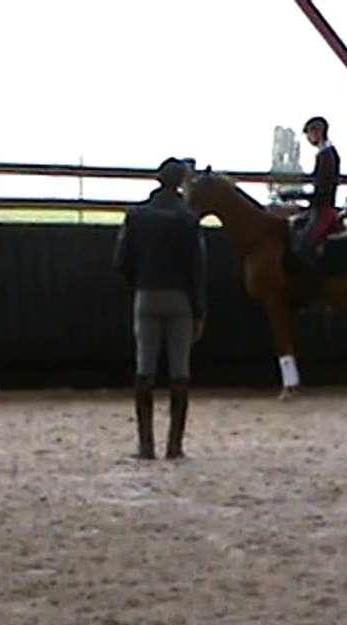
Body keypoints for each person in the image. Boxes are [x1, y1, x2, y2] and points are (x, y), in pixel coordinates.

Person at [112, 157, 207, 460]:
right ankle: (174, 446)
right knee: (180, 370)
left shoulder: (137, 215)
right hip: (179, 298)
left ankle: (145, 445)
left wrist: (138, 283)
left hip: (147, 294)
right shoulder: (188, 219)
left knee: (145, 369)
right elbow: (197, 269)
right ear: (180, 182)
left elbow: (121, 261)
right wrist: (199, 310)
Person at [277, 116, 342, 258]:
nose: (308, 137)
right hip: (320, 207)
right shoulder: (325, 153)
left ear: (318, 132)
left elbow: (322, 190)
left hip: (324, 210)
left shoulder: (326, 155)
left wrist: (295, 195)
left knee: (302, 247)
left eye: (309, 133)